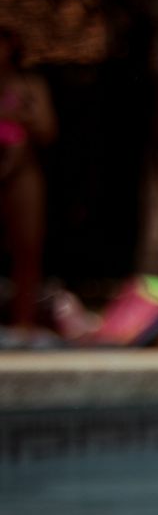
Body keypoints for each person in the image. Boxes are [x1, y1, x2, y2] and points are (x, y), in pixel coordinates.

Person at [0, 26, 56, 338]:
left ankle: (23, 323)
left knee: (26, 247)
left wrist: (23, 115)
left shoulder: (29, 86)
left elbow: (47, 129)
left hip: (23, 173)